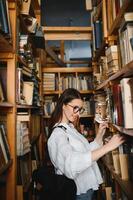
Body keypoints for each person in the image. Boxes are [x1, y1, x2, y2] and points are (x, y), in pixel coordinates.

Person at [47, 88, 124, 200]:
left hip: (87, 189)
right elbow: (71, 165)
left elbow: (85, 151)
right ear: (63, 105)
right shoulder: (58, 134)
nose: (78, 114)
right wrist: (108, 147)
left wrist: (99, 136)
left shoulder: (69, 128)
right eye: (75, 108)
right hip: (79, 193)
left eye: (80, 110)